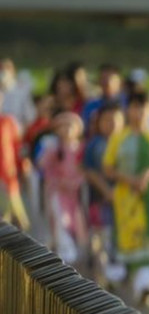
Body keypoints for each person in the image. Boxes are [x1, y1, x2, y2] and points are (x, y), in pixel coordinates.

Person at [103, 90, 149, 308]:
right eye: (135, 107)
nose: (139, 112)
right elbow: (108, 168)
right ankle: (132, 283)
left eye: (143, 108)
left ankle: (148, 287)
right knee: (128, 242)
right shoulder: (119, 138)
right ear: (128, 110)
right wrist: (129, 179)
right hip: (126, 200)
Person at [83, 100, 123, 285]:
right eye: (107, 120)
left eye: (116, 120)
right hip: (99, 198)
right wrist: (106, 190)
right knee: (100, 236)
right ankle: (101, 278)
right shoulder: (95, 144)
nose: (112, 124)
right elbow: (89, 171)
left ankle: (114, 274)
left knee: (116, 237)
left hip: (122, 199)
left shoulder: (125, 142)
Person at [39, 112, 87, 264]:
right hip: (58, 192)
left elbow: (84, 170)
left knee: (76, 221)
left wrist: (77, 182)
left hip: (75, 193)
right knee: (61, 220)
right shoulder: (54, 149)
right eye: (62, 126)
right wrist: (57, 182)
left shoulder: (80, 148)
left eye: (70, 126)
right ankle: (65, 252)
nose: (66, 130)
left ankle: (74, 252)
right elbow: (45, 167)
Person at [0, 91, 29, 230]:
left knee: (18, 221)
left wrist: (23, 167)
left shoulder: (8, 122)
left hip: (9, 178)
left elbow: (18, 147)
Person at [81, 64, 125, 135]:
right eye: (103, 78)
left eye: (110, 78)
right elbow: (85, 129)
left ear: (120, 81)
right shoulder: (91, 105)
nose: (106, 82)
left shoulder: (127, 103)